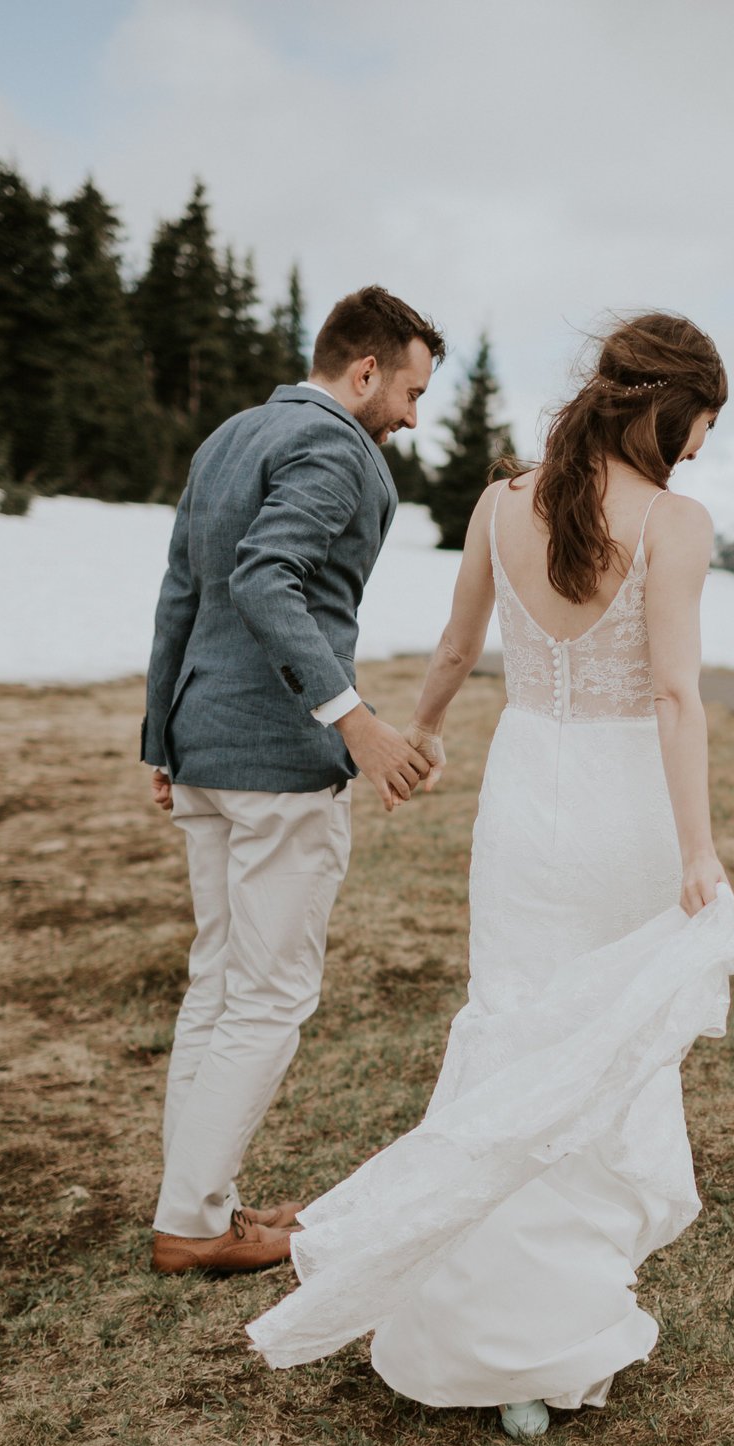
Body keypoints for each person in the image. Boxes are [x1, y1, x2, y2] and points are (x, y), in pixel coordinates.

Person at [248, 314, 734, 1439]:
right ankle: (545, 1343)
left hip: (525, 796)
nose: (703, 449)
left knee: (518, 1033)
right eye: (703, 424)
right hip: (621, 803)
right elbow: (675, 697)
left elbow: (456, 647)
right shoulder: (675, 521)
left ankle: (482, 1331)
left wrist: (416, 732)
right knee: (592, 1049)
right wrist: (700, 846)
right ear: (664, 409)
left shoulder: (497, 501)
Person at [141, 286, 445, 1274]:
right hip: (276, 762)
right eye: (408, 391)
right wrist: (351, 720)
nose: (409, 416)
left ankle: (203, 1198)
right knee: (267, 995)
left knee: (219, 980)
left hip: (204, 751)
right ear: (365, 371)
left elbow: (180, 589)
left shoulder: (231, 435)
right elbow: (261, 577)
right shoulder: (332, 447)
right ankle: (193, 1224)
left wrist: (161, 734)